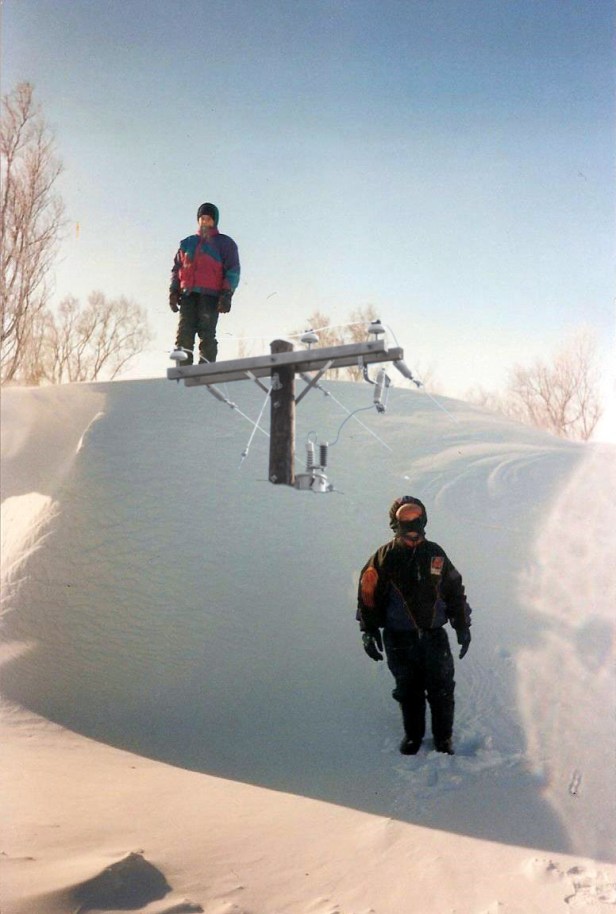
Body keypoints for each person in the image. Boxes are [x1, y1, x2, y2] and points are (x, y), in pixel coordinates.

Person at [357, 496, 472, 756]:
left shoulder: (436, 554)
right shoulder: (384, 557)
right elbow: (367, 594)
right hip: (399, 638)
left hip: (434, 636)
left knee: (442, 689)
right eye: (405, 520)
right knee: (409, 691)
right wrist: (368, 630)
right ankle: (414, 736)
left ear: (424, 520)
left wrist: (462, 625)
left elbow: (454, 590)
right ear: (394, 523)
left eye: (416, 519)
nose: (411, 525)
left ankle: (443, 738)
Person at [169, 202, 240, 364]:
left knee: (206, 332)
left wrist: (226, 294)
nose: (205, 221)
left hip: (210, 295)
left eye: (208, 219)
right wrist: (174, 290)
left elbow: (233, 270)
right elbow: (177, 268)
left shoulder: (224, 243)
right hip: (188, 294)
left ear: (214, 221)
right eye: (202, 218)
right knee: (184, 332)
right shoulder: (187, 243)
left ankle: (206, 369)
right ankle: (183, 369)